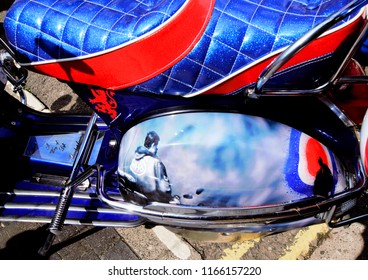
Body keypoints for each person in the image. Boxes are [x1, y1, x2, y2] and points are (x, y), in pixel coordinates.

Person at [121, 131, 179, 204]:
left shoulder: (132, 159)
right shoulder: (156, 163)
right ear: (153, 144)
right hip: (154, 205)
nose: (157, 149)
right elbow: (165, 189)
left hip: (135, 201)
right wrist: (172, 198)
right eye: (157, 146)